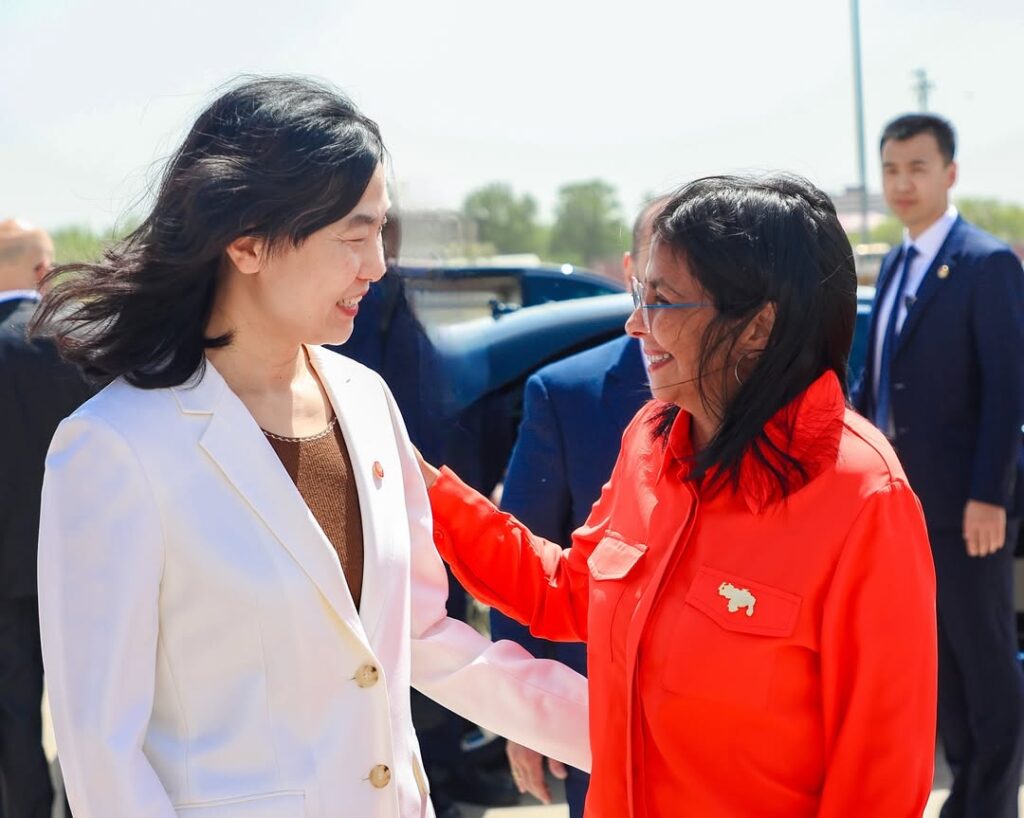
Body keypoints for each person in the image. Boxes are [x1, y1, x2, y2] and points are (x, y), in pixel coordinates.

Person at [32, 76, 589, 818]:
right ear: (246, 242)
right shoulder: (114, 447)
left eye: (380, 233)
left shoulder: (364, 399)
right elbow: (102, 751)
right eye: (353, 236)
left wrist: (633, 732)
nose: (378, 266)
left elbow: (420, 634)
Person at [416, 174, 938, 817]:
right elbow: (567, 592)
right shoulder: (650, 440)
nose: (635, 324)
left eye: (662, 302)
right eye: (640, 296)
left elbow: (879, 781)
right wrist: (418, 488)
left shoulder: (863, 496)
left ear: (756, 326)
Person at [853, 113, 1024, 818]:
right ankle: (966, 800)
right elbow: (878, 380)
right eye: (891, 169)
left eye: (917, 168)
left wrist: (990, 494)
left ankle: (991, 802)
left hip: (967, 511)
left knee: (985, 666)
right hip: (907, 511)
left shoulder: (986, 263)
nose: (902, 182)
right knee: (940, 666)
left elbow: (1009, 389)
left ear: (949, 173)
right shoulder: (893, 262)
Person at [489, 199, 657, 815]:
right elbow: (522, 556)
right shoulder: (564, 393)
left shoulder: (747, 392)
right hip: (595, 713)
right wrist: (524, 708)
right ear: (630, 267)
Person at [0, 220, 90, 818]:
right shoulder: (78, 342)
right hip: (79, 561)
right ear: (43, 271)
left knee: (12, 709)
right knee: (90, 705)